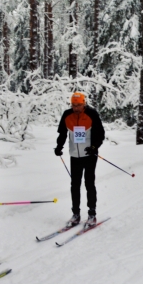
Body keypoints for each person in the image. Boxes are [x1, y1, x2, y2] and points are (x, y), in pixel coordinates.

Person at [54, 92, 105, 229]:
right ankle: (76, 214)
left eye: (79, 105)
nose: (76, 108)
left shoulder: (92, 114)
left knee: (89, 183)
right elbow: (62, 133)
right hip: (74, 156)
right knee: (74, 185)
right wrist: (59, 147)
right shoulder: (67, 115)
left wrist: (94, 147)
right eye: (74, 105)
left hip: (89, 155)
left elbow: (100, 134)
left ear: (84, 103)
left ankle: (92, 214)